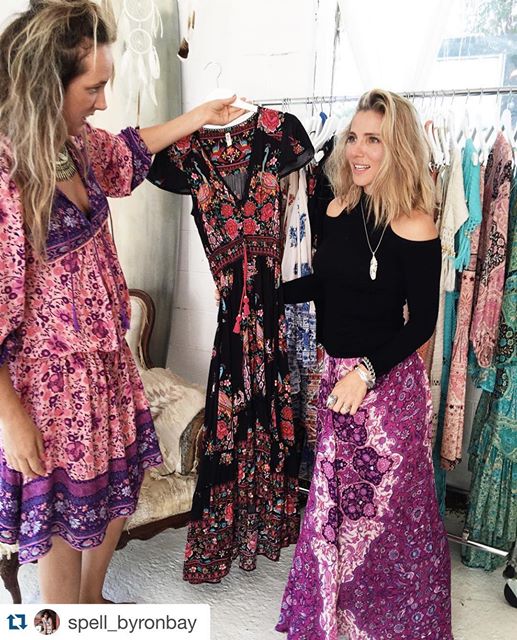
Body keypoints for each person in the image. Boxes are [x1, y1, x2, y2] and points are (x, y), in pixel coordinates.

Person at [0, 0, 244, 604]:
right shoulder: (7, 173)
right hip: (52, 388)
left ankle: (91, 605)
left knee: (116, 495)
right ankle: (67, 617)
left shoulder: (75, 142)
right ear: (44, 86)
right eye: (93, 88)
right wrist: (12, 419)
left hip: (108, 363)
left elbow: (128, 152)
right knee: (63, 526)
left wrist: (198, 115)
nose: (103, 102)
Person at [276, 89, 453, 639]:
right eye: (353, 137)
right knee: (334, 508)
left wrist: (366, 371)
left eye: (373, 139)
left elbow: (422, 323)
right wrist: (267, 296)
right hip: (338, 380)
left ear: (398, 147)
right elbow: (328, 284)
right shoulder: (336, 207)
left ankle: (392, 625)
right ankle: (335, 619)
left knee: (388, 518)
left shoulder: (416, 224)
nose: (357, 150)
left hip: (387, 387)